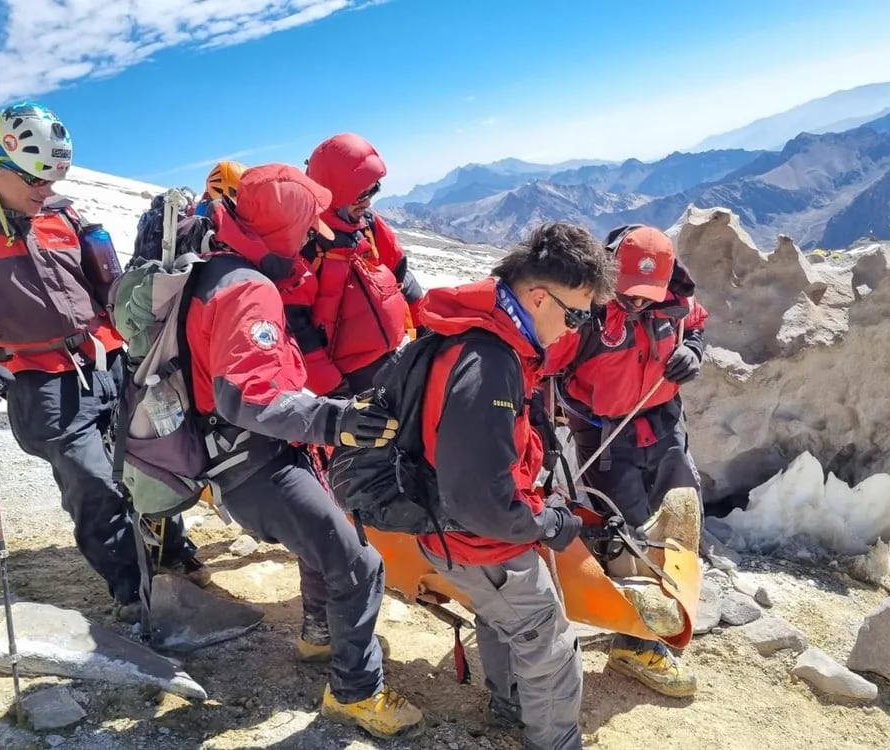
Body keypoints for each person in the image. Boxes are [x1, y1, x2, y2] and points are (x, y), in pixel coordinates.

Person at [182, 163, 424, 739]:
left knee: (327, 540)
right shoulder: (248, 291)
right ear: (283, 227)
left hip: (246, 453)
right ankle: (355, 694)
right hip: (255, 461)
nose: (315, 232)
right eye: (306, 222)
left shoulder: (221, 269)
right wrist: (336, 419)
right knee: (361, 566)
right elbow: (248, 396)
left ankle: (319, 636)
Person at [0, 102, 205, 620]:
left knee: (150, 459)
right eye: (35, 180)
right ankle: (132, 587)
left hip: (107, 360)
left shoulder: (62, 215)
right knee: (92, 480)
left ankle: (168, 550)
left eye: (54, 178)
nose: (46, 191)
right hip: (37, 377)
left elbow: (108, 288)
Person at [416, 223, 616, 750]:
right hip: (481, 540)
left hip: (453, 532)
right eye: (573, 315)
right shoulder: (491, 364)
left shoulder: (480, 337)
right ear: (536, 296)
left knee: (504, 621)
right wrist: (546, 523)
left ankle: (509, 708)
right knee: (550, 642)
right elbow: (481, 498)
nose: (574, 329)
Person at [545, 224, 708, 698]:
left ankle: (662, 611)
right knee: (628, 535)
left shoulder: (674, 303)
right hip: (604, 435)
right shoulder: (584, 315)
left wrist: (692, 351)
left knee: (677, 517)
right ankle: (635, 642)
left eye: (646, 295)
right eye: (628, 293)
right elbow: (543, 365)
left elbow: (696, 322)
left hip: (663, 422)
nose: (637, 303)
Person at [281, 133, 424, 397]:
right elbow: (297, 327)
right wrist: (333, 388)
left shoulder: (368, 224)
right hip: (354, 381)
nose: (368, 201)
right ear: (333, 194)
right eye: (360, 195)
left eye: (373, 189)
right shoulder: (306, 246)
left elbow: (401, 272)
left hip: (400, 353)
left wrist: (425, 325)